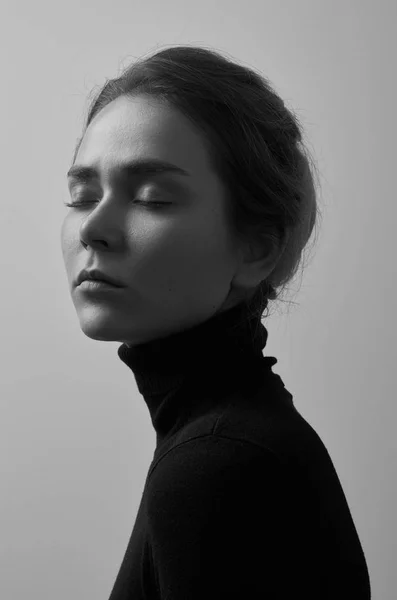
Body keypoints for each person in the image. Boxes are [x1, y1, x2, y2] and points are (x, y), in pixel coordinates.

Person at [61, 45, 371, 599]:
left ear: (256, 249)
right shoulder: (232, 438)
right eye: (83, 195)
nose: (94, 228)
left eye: (151, 196)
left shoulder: (220, 465)